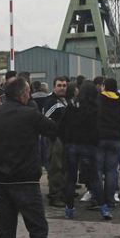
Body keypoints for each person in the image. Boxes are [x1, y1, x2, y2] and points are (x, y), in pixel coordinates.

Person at [0, 77, 66, 238]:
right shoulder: (30, 114)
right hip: (26, 182)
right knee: (38, 231)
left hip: (2, 182)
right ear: (23, 94)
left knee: (6, 233)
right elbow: (53, 129)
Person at [59, 81, 108, 220]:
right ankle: (104, 208)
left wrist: (66, 141)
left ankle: (69, 209)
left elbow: (61, 126)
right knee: (94, 178)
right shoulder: (96, 109)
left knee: (71, 179)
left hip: (72, 145)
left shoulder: (71, 107)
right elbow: (99, 129)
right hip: (89, 146)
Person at [96, 78, 120, 208]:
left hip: (99, 138)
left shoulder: (98, 101)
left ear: (104, 86)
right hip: (115, 139)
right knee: (111, 171)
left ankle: (99, 198)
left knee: (98, 169)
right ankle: (110, 199)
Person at [42, 76, 68, 208]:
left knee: (63, 168)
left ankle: (61, 193)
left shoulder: (65, 100)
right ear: (54, 87)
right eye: (59, 85)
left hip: (64, 139)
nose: (62, 88)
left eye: (64, 85)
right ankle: (54, 196)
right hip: (55, 139)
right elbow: (46, 120)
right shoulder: (51, 102)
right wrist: (53, 136)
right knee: (55, 168)